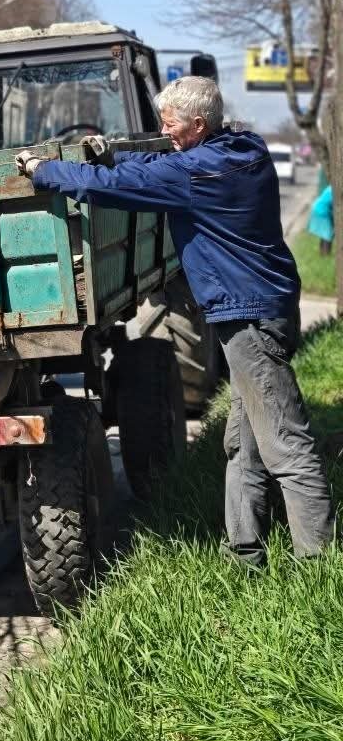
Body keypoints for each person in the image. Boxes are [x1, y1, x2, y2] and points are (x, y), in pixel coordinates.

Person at [17, 75, 334, 568]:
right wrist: (116, 153)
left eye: (171, 125)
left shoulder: (196, 176)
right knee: (243, 444)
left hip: (247, 318)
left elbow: (118, 188)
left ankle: (317, 570)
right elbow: (159, 163)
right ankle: (244, 554)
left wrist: (45, 172)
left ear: (199, 124)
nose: (165, 134)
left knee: (288, 448)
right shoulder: (243, 148)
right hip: (270, 306)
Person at [308, 182, 334, 257]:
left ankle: (322, 253)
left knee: (324, 234)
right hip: (322, 211)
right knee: (327, 234)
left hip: (318, 208)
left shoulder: (331, 187)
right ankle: (325, 255)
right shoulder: (333, 190)